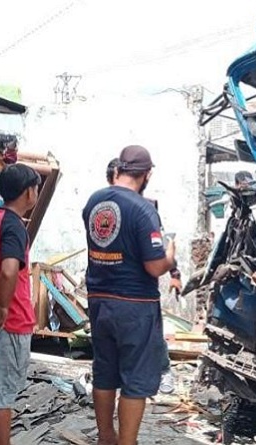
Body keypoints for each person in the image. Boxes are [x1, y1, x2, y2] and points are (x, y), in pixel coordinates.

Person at [84, 146, 177, 445]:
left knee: (105, 372)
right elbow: (154, 266)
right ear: (147, 174)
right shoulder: (143, 209)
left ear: (119, 169)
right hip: (135, 304)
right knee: (135, 381)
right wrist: (171, 257)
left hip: (99, 299)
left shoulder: (94, 201)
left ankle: (105, 438)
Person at [105, 158, 179, 394]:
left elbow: (164, 243)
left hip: (138, 292)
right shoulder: (103, 208)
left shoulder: (145, 208)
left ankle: (165, 371)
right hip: (108, 292)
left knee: (151, 338)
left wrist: (174, 272)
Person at [0, 164, 40, 445]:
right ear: (29, 192)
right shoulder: (15, 225)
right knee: (2, 396)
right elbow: (8, 270)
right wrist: (3, 307)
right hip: (9, 320)